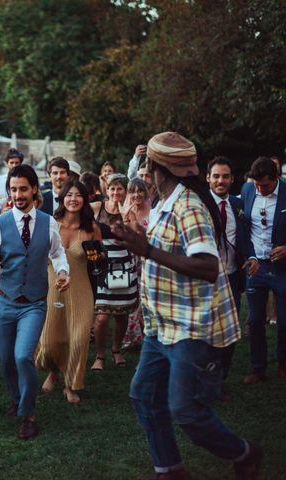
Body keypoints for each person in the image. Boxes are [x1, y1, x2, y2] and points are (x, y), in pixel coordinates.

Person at [113, 131, 261, 480]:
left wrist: (145, 250)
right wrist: (135, 239)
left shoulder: (188, 206)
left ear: (156, 167)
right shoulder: (163, 200)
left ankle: (245, 453)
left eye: (148, 164)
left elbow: (207, 266)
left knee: (186, 410)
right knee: (144, 396)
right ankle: (170, 469)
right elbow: (168, 247)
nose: (146, 170)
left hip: (190, 327)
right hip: (161, 325)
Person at [0, 164, 70, 440]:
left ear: (35, 189)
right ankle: (16, 398)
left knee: (23, 355)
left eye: (23, 189)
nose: (18, 194)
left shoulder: (48, 222)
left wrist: (62, 271)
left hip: (34, 303)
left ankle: (28, 414)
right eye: (13, 189)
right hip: (5, 303)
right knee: (6, 362)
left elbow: (58, 253)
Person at [35, 179, 101, 405]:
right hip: (52, 286)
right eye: (69, 195)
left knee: (79, 340)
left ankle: (70, 384)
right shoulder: (50, 224)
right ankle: (53, 371)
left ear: (85, 199)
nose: (73, 199)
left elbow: (101, 260)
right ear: (62, 198)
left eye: (78, 195)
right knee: (51, 339)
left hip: (81, 288)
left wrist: (97, 256)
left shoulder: (91, 228)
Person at [240, 156, 286, 385]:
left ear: (276, 178)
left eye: (265, 185)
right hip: (256, 266)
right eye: (257, 184)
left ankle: (283, 363)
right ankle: (258, 369)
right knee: (255, 321)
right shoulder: (247, 190)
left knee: (285, 321)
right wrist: (249, 255)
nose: (260, 189)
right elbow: (243, 227)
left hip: (282, 268)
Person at [206, 156, 246, 393]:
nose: (221, 181)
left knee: (229, 332)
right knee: (207, 333)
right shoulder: (200, 205)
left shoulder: (238, 204)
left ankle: (219, 381)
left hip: (231, 276)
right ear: (208, 178)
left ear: (232, 179)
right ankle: (203, 382)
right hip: (206, 278)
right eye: (216, 176)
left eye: (225, 177)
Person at [91, 173, 139, 370]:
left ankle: (117, 350)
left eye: (120, 188)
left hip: (124, 265)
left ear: (125, 191)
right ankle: (100, 355)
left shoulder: (130, 210)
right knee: (101, 316)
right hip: (102, 264)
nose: (116, 192)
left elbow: (135, 239)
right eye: (112, 188)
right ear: (106, 190)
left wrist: (126, 216)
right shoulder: (96, 207)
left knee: (122, 314)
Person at [120, 178, 151, 352]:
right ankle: (132, 337)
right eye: (133, 191)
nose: (136, 194)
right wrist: (125, 218)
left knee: (145, 297)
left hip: (147, 258)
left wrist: (138, 227)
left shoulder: (151, 211)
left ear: (145, 193)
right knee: (131, 297)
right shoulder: (126, 209)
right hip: (130, 258)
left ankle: (148, 335)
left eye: (140, 191)